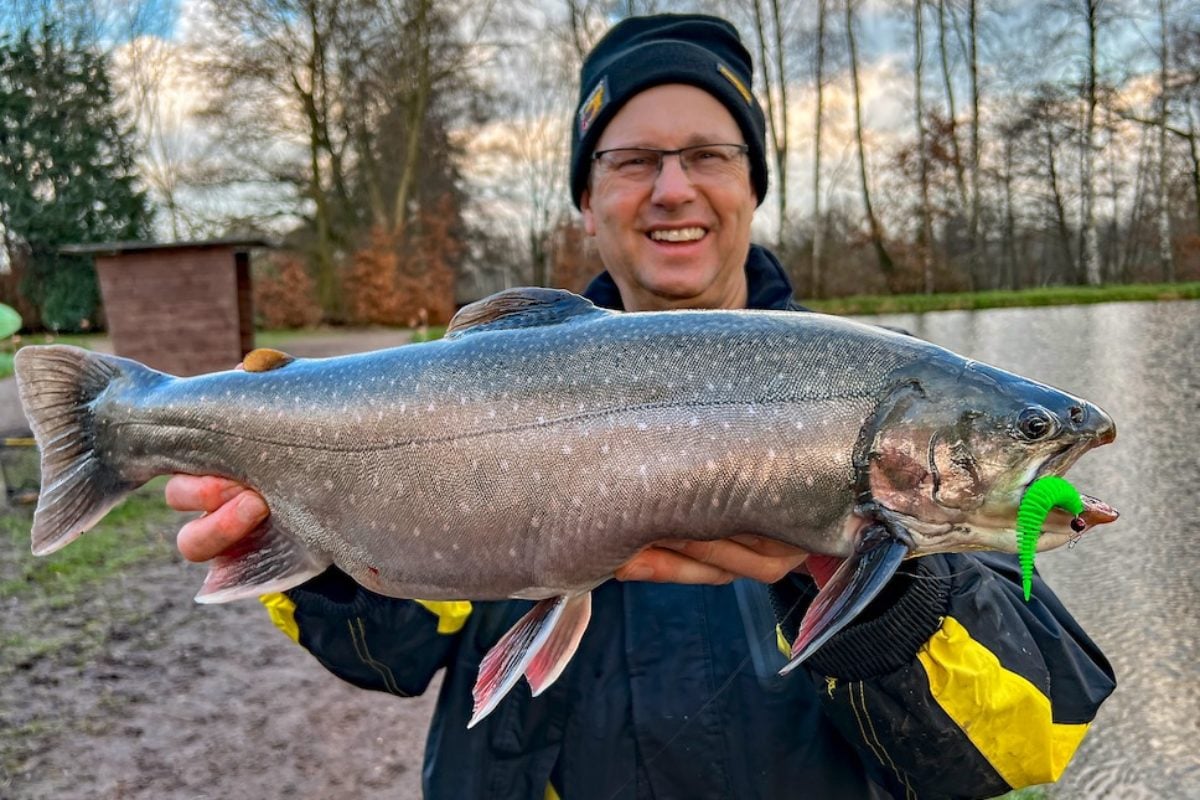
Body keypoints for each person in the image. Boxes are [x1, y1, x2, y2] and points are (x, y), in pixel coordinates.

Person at [166, 14, 1114, 799]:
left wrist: (886, 596)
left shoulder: (875, 386)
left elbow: (1033, 739)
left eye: (708, 153)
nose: (672, 189)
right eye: (630, 161)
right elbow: (391, 655)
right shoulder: (484, 387)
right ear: (587, 199)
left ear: (751, 186)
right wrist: (309, 540)